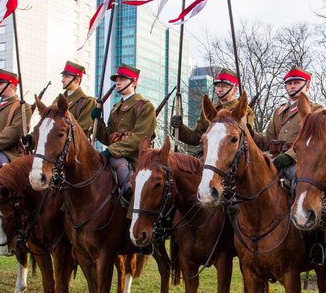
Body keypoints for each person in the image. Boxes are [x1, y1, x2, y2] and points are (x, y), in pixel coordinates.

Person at [91, 63, 156, 207]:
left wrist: (111, 151)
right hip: (116, 153)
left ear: (134, 82)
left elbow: (139, 138)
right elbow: (109, 138)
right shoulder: (115, 109)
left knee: (117, 162)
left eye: (122, 79)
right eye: (117, 79)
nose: (118, 82)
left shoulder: (144, 106)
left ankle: (130, 196)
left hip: (135, 157)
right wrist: (97, 121)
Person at [253, 67, 321, 186]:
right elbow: (267, 142)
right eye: (289, 83)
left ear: (307, 86)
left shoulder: (315, 110)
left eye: (296, 83)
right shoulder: (278, 111)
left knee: (300, 182)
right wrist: (249, 132)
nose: (292, 86)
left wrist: (289, 156)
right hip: (276, 160)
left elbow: (314, 140)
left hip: (300, 162)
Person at [170, 68, 255, 149]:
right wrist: (180, 128)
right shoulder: (209, 110)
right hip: (209, 156)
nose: (220, 89)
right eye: (218, 86)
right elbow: (196, 138)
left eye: (224, 86)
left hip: (234, 158)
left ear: (235, 90)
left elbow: (247, 138)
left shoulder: (244, 110)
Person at [22, 61, 95, 151]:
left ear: (77, 80)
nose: (62, 80)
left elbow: (81, 131)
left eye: (67, 76)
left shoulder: (88, 102)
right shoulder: (57, 100)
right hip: (54, 150)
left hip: (75, 152)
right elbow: (47, 124)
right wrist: (32, 139)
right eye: (63, 76)